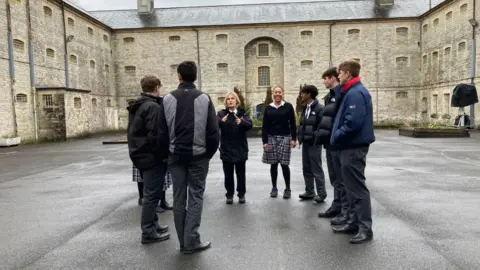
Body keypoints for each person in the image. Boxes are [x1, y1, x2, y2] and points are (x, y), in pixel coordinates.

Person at [160, 61, 220, 254]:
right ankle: (191, 240)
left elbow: (161, 132)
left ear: (179, 76)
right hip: (198, 156)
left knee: (178, 197)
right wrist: (207, 155)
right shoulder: (204, 98)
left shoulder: (167, 98)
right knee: (195, 196)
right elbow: (213, 131)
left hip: (175, 156)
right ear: (195, 76)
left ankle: (183, 242)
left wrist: (166, 154)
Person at [330, 60, 375, 244]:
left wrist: (336, 136)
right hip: (348, 147)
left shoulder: (356, 93)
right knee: (350, 188)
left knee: (357, 189)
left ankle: (365, 228)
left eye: (340, 73)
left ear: (347, 74)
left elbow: (353, 123)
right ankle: (354, 223)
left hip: (353, 147)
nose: (338, 76)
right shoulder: (349, 91)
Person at [127, 75, 170, 244]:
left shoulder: (138, 105)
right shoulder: (151, 107)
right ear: (157, 88)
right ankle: (148, 231)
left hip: (139, 153)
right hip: (150, 156)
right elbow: (155, 135)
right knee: (151, 195)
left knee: (150, 193)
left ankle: (154, 224)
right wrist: (163, 155)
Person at [315, 67, 350, 226]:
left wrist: (336, 136)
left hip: (337, 142)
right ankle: (336, 206)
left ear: (333, 78)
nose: (324, 81)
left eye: (325, 78)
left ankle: (344, 210)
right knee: (335, 177)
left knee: (341, 179)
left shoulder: (341, 94)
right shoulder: (330, 96)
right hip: (329, 142)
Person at [217, 91, 253, 204]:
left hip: (240, 149)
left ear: (237, 101)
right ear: (226, 102)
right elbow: (214, 123)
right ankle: (229, 195)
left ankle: (241, 194)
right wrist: (221, 121)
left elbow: (249, 125)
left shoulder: (242, 113)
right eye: (228, 99)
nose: (230, 100)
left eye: (232, 98)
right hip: (226, 149)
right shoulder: (221, 114)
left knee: (240, 174)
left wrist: (241, 122)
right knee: (228, 175)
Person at [261, 86, 297, 199]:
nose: (278, 94)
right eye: (276, 92)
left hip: (285, 137)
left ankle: (288, 188)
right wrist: (265, 141)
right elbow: (265, 126)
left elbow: (293, 123)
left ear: (283, 94)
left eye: (280, 92)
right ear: (273, 94)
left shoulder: (288, 106)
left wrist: (294, 139)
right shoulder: (268, 108)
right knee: (273, 164)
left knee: (284, 164)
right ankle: (274, 188)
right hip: (271, 137)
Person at [297, 85, 326, 203]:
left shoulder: (320, 109)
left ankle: (321, 193)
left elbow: (321, 126)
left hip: (314, 143)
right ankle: (309, 191)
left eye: (303, 93)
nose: (301, 95)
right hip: (306, 143)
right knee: (306, 167)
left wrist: (315, 137)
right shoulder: (305, 108)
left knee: (316, 168)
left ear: (309, 94)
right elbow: (303, 125)